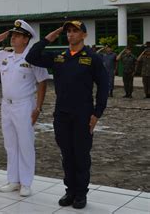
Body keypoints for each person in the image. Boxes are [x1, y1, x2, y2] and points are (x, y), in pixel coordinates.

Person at [25, 20, 109, 209]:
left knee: (81, 154)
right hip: (62, 114)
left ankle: (81, 193)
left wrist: (97, 113)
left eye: (75, 31)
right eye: (68, 31)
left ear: (84, 35)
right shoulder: (59, 57)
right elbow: (32, 56)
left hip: (83, 114)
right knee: (66, 154)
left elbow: (104, 86)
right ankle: (70, 191)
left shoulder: (92, 57)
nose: (70, 34)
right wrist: (48, 38)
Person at [0, 20, 48, 197]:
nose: (13, 38)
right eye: (12, 35)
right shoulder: (5, 55)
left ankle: (26, 183)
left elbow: (42, 82)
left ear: (26, 39)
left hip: (24, 105)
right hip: (6, 105)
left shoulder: (32, 57)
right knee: (10, 144)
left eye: (17, 35)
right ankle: (13, 180)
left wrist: (38, 108)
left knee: (25, 143)